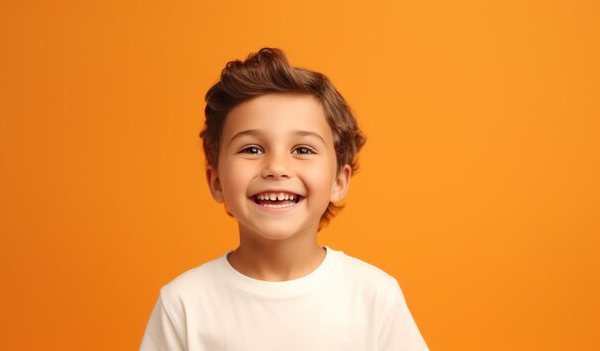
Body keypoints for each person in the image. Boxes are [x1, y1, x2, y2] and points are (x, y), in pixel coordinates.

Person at [139, 48, 429, 351]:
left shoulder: (374, 297)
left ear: (339, 181)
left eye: (302, 150)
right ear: (216, 181)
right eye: (251, 149)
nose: (276, 167)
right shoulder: (184, 304)